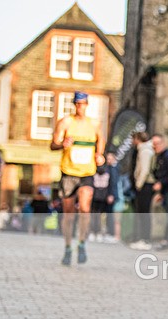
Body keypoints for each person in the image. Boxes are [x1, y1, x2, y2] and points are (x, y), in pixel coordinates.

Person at [51, 91, 105, 265]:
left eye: (83, 104)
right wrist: (62, 144)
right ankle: (68, 247)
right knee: (69, 215)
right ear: (74, 105)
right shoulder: (66, 122)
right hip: (69, 172)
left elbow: (101, 141)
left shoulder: (94, 124)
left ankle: (81, 243)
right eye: (78, 104)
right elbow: (53, 144)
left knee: (84, 208)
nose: (80, 107)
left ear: (87, 105)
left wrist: (99, 155)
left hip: (87, 172)